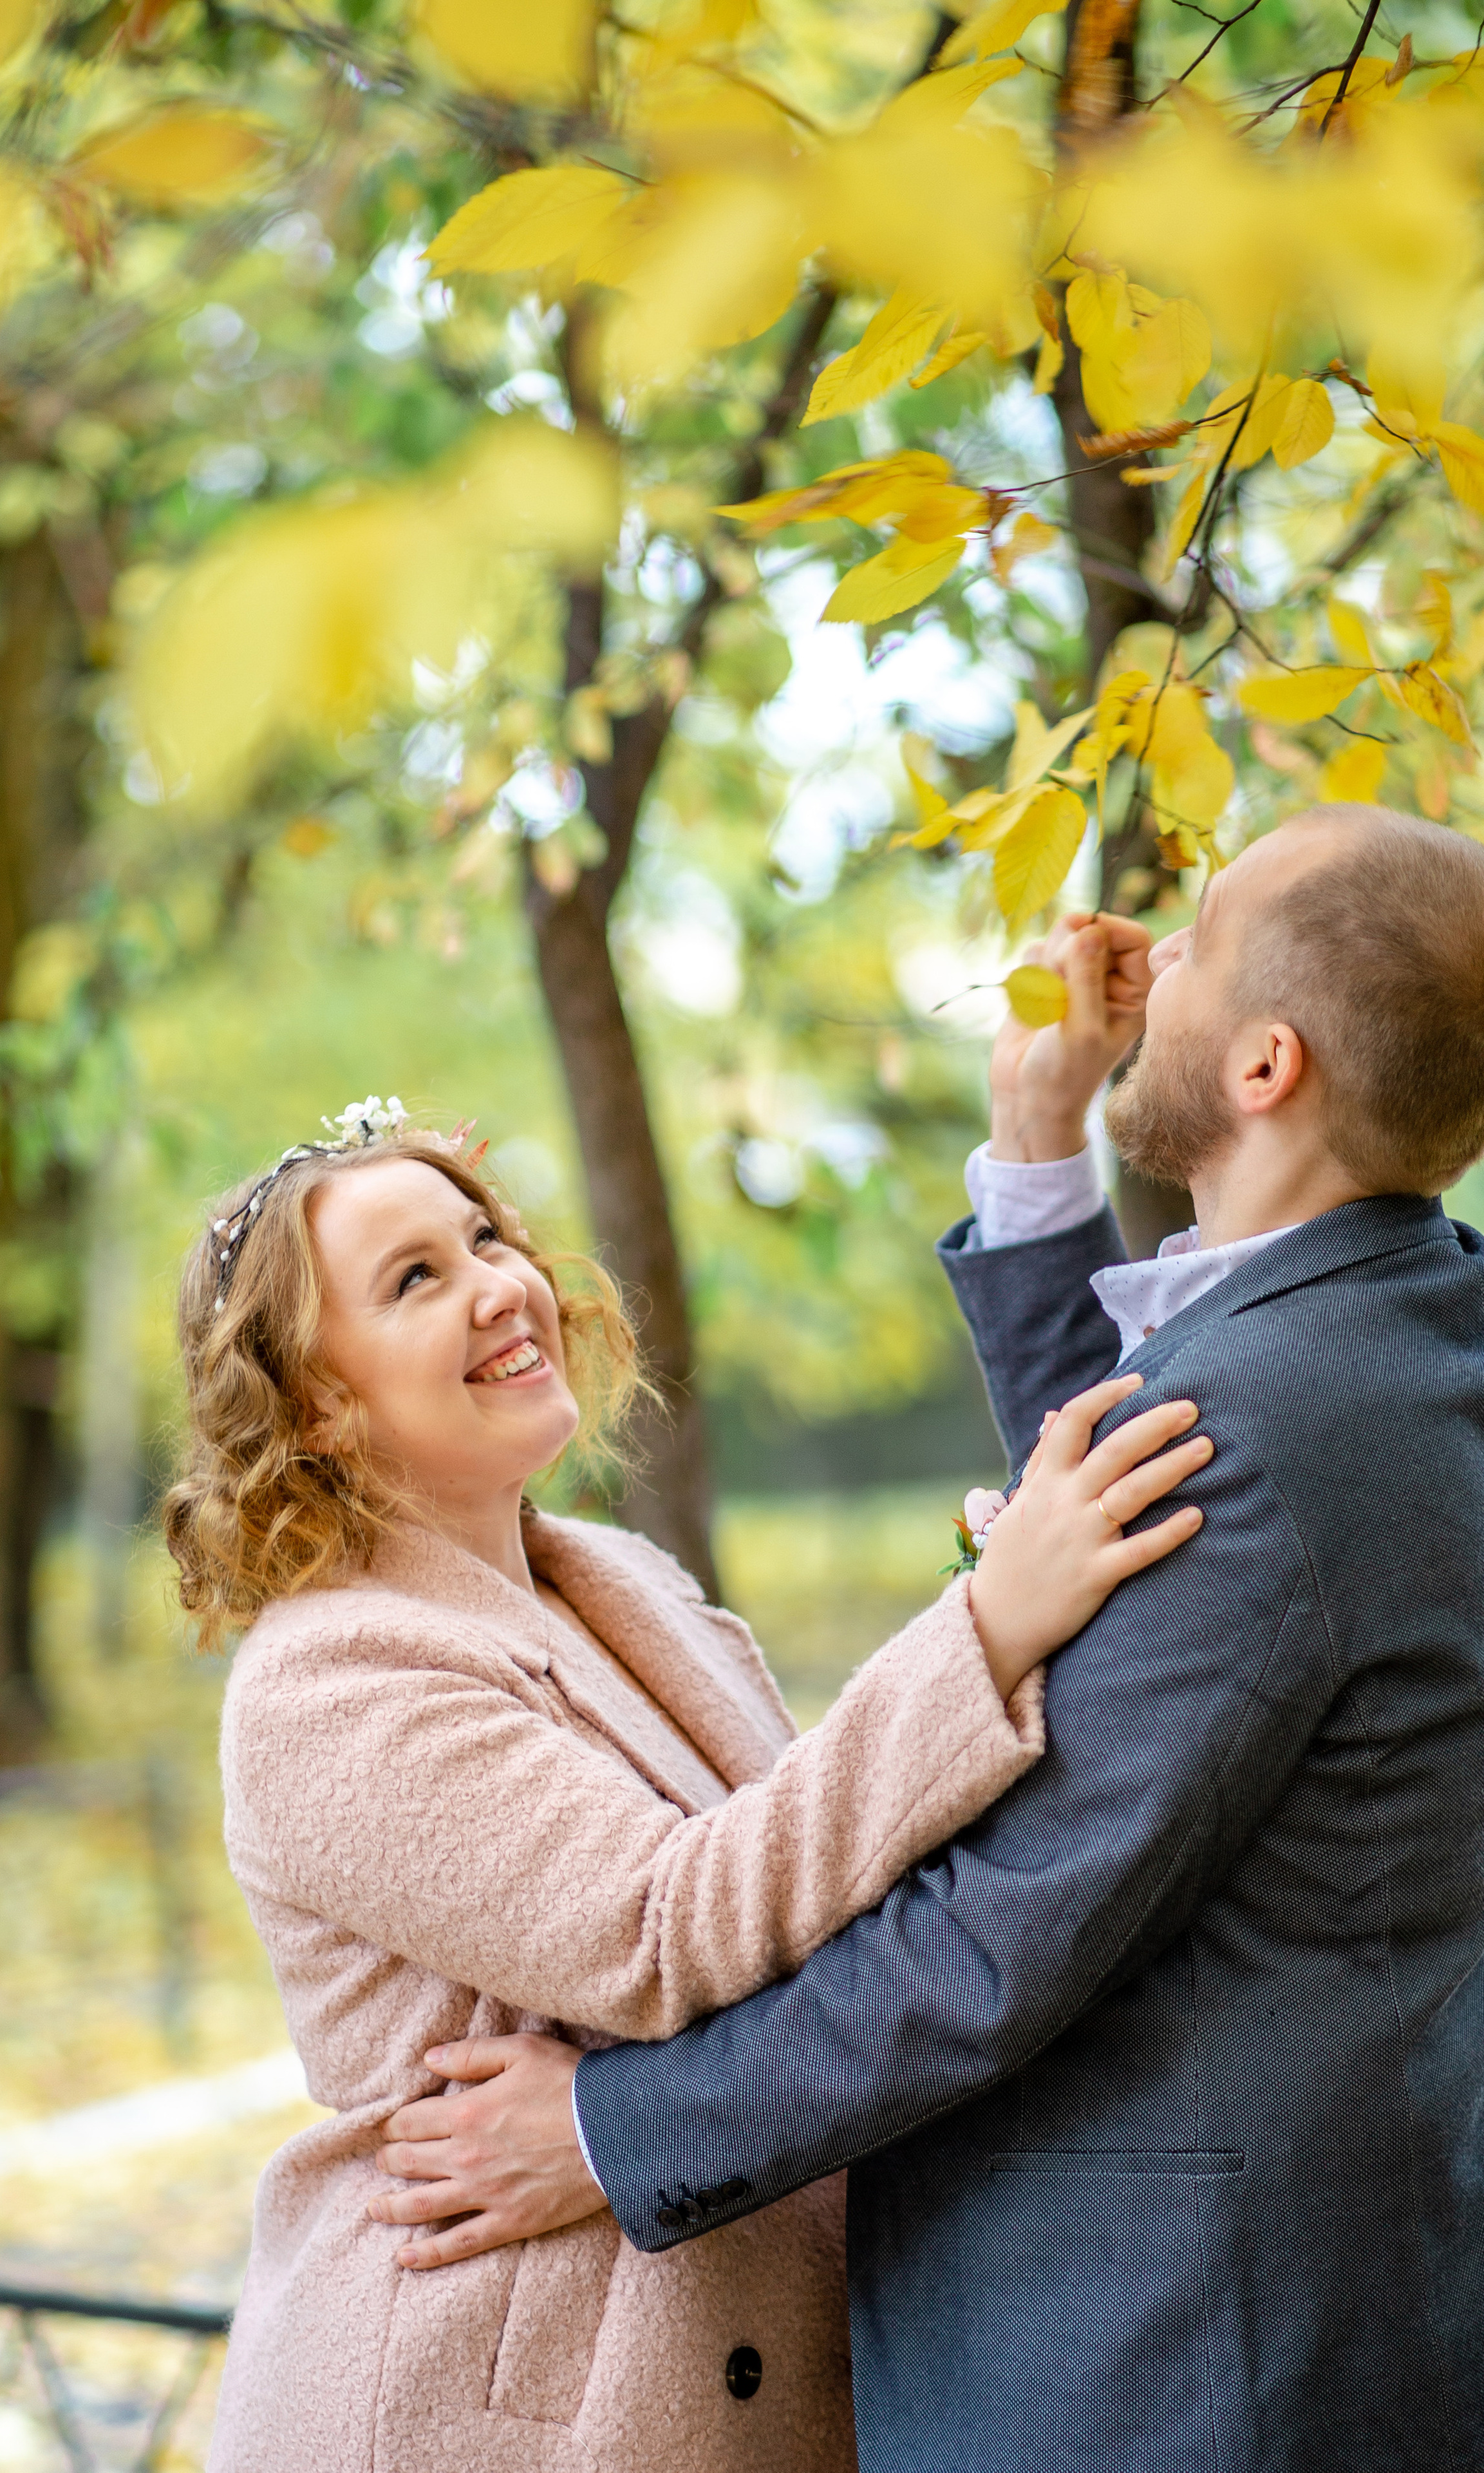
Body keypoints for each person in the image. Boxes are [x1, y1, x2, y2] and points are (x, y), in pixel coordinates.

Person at [373, 804, 1484, 2472]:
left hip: (1170, 2364)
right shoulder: (1405, 1339)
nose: (1149, 963)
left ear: (1267, 1067)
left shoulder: (1254, 1438)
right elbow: (1140, 1547)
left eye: (1196, 947)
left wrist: (615, 2135)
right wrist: (1042, 1152)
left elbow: (992, 1940)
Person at [163, 1097, 1207, 2473]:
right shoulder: (329, 1684)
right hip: (498, 2411)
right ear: (315, 1403)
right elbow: (664, 1929)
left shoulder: (617, 1585)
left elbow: (813, 1880)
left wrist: (1007, 1605)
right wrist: (985, 1632)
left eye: (484, 1238)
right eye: (416, 1279)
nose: (496, 1287)